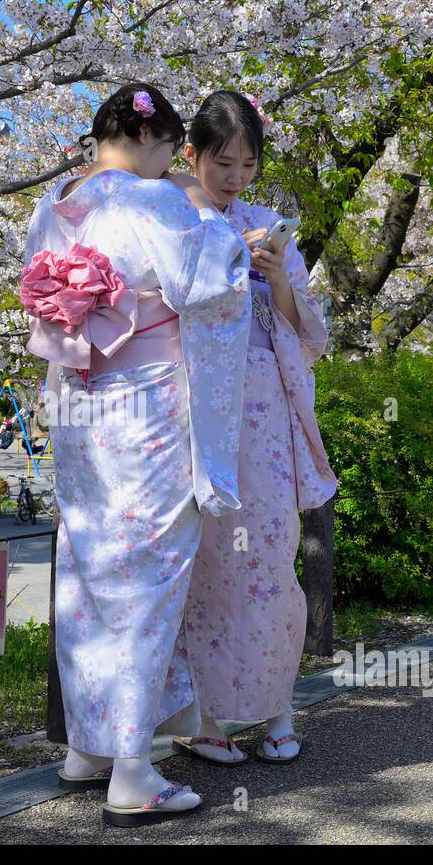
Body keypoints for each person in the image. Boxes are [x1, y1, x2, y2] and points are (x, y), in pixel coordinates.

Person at [22, 82, 250, 825]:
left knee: (89, 567)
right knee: (150, 573)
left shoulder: (57, 201)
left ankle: (87, 748)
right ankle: (133, 768)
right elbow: (206, 281)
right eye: (172, 151)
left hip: (79, 400)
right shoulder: (149, 200)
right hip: (145, 404)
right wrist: (204, 210)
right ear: (156, 140)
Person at [169, 91, 336, 766]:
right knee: (206, 565)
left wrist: (278, 282)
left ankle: (276, 709)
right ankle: (204, 719)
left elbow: (312, 337)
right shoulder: (174, 221)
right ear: (192, 156)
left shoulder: (271, 226)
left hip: (264, 415)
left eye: (246, 164)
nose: (235, 177)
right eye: (221, 162)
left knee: (270, 561)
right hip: (199, 414)